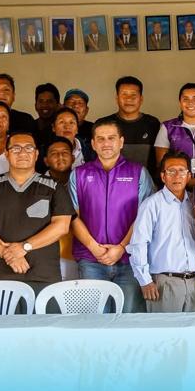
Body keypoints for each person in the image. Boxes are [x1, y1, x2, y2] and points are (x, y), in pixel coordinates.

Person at [0, 131, 74, 297]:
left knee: (43, 315)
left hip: (42, 276)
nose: (23, 153)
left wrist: (24, 247)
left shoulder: (54, 187)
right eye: (16, 148)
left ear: (36, 154)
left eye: (29, 148)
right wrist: (9, 255)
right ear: (6, 154)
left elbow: (61, 226)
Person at [69, 117, 155, 312]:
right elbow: (72, 217)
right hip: (91, 259)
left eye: (111, 138)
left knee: (128, 317)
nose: (106, 143)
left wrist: (122, 247)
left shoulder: (138, 173)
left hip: (130, 259)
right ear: (93, 144)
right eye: (100, 139)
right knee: (95, 319)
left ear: (121, 141)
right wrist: (94, 248)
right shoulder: (79, 174)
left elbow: (145, 218)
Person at [128, 151, 195, 313]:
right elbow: (138, 244)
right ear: (163, 176)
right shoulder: (152, 204)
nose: (177, 176)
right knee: (164, 329)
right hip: (164, 282)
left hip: (194, 282)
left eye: (182, 171)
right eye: (171, 171)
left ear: (189, 176)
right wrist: (145, 281)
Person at [156, 83, 195, 184]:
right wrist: (186, 181)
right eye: (185, 99)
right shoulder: (167, 127)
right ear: (180, 103)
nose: (191, 103)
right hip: (177, 185)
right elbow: (161, 163)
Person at [98, 76, 161, 172]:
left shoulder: (152, 123)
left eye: (133, 95)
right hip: (111, 179)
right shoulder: (104, 124)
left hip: (145, 179)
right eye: (124, 95)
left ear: (141, 99)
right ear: (117, 98)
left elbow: (158, 160)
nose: (129, 99)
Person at [42, 138, 79, 281]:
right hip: (46, 254)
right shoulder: (36, 184)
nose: (60, 157)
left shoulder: (83, 182)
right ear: (46, 161)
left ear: (73, 158)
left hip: (77, 253)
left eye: (65, 152)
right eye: (54, 153)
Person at [33, 83, 61, 150]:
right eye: (41, 101)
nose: (44, 105)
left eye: (49, 101)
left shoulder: (61, 130)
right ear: (35, 105)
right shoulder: (29, 127)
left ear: (58, 105)